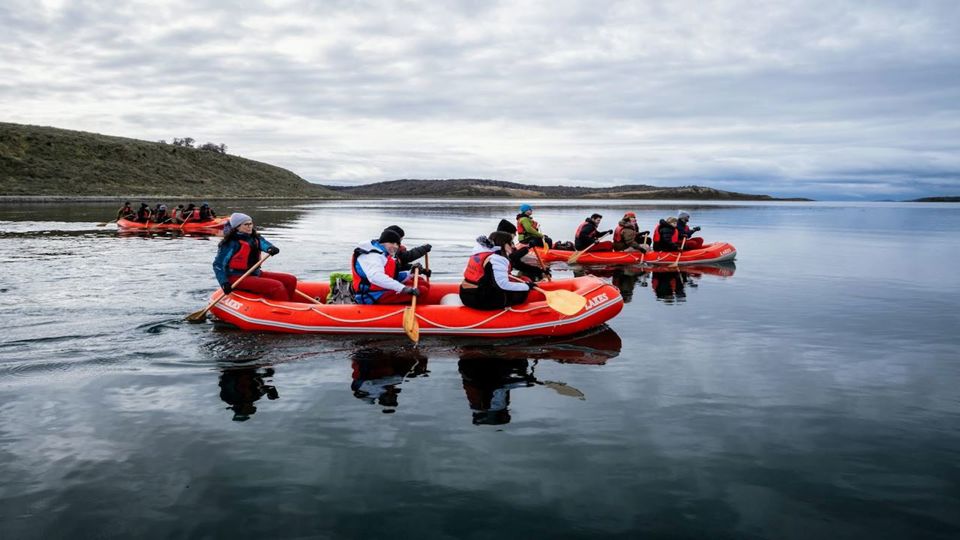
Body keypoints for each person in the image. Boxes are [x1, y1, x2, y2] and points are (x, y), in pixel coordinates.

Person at [213, 212, 298, 301]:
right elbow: (218, 265)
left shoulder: (255, 237)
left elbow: (264, 244)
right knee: (276, 286)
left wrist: (270, 248)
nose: (250, 226)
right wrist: (224, 282)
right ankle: (283, 308)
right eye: (246, 224)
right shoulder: (230, 243)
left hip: (255, 273)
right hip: (236, 277)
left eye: (251, 223)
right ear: (237, 227)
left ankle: (289, 303)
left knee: (290, 279)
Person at [351, 228, 431, 304]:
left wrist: (410, 273)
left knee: (423, 287)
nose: (396, 246)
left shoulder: (383, 253)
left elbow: (391, 275)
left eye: (397, 244)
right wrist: (402, 288)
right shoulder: (373, 256)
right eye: (392, 243)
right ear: (384, 242)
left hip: (379, 290)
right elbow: (376, 277)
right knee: (422, 291)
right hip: (371, 295)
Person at [459, 231, 533, 310]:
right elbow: (502, 284)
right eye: (511, 243)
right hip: (479, 299)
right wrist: (527, 286)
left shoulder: (479, 253)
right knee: (522, 294)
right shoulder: (497, 259)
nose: (513, 246)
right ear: (504, 244)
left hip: (465, 294)